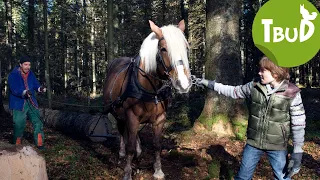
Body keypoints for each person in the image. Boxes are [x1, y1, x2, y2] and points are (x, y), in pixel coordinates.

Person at [194, 56, 305, 180]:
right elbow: (234, 91)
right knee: (243, 177)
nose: (259, 72)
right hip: (253, 143)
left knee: (282, 178)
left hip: (278, 146)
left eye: (263, 70)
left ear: (275, 73)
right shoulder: (254, 85)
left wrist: (298, 152)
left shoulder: (292, 93)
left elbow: (298, 124)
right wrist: (209, 84)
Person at [8, 55, 47, 149]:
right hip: (18, 103)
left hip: (31, 102)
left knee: (38, 122)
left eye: (29, 64)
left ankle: (40, 144)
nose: (28, 67)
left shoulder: (31, 74)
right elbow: (14, 89)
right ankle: (17, 145)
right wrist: (24, 92)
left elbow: (35, 84)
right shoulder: (13, 75)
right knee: (18, 124)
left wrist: (39, 88)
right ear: (20, 64)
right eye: (25, 64)